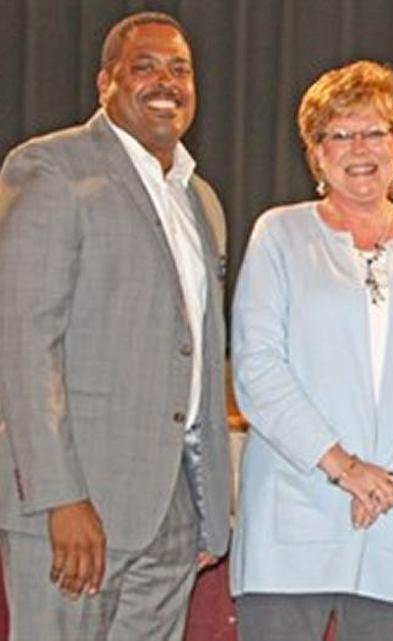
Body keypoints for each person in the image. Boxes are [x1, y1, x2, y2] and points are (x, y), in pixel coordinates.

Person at [0, 11, 230, 641]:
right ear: (106, 83)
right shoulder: (53, 170)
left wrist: (208, 509)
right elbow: (24, 345)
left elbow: (198, 358)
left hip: (172, 514)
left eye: (180, 69)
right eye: (144, 67)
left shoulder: (200, 199)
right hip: (78, 512)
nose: (166, 82)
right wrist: (60, 498)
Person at [228, 60, 393, 641]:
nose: (359, 149)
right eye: (339, 134)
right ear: (316, 153)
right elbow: (258, 368)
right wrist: (346, 469)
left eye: (376, 132)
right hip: (294, 510)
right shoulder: (278, 234)